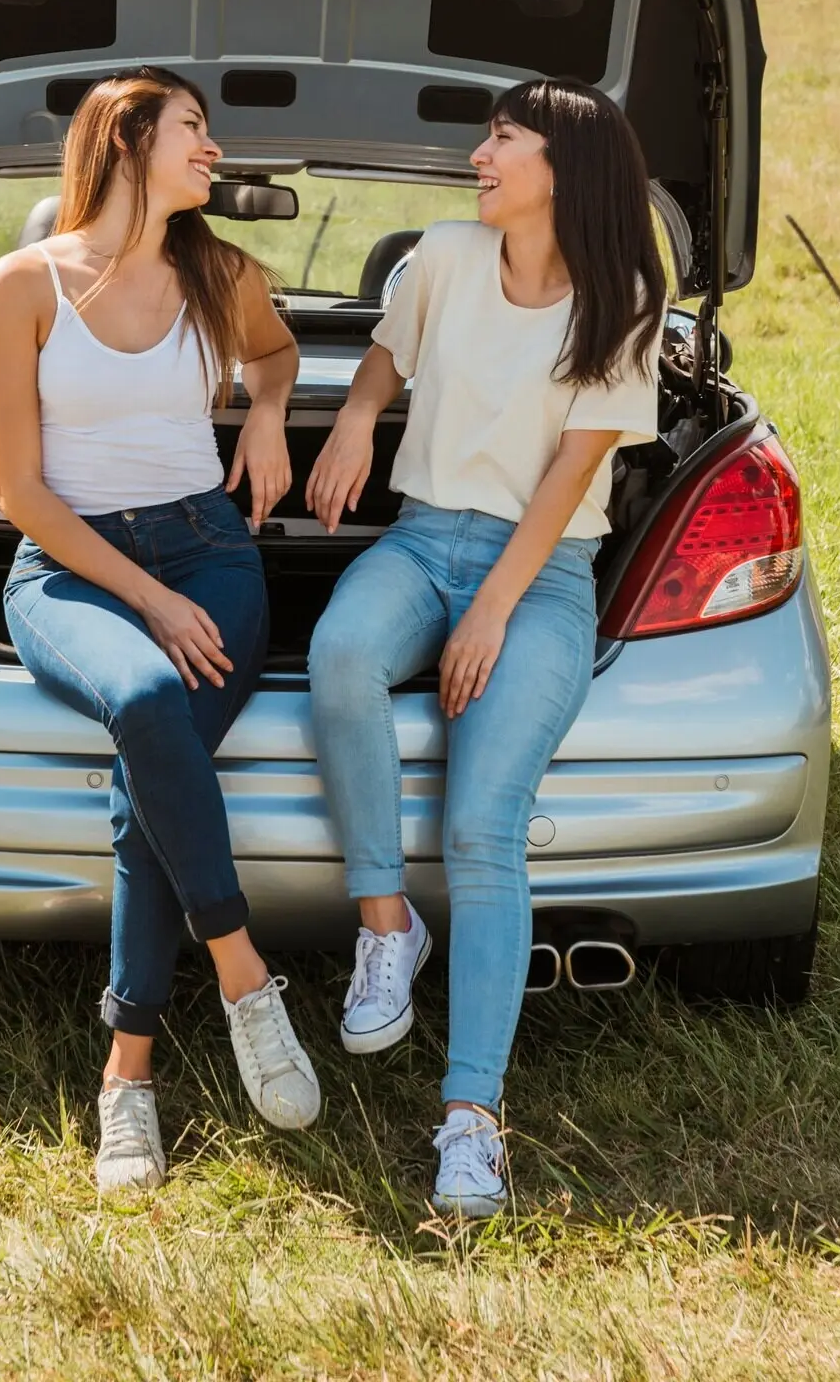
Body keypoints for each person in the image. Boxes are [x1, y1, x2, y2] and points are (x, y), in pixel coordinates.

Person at [305, 78, 666, 1218]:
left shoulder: (624, 299)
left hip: (543, 569)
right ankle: (384, 925)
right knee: (341, 657)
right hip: (420, 540)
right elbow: (384, 358)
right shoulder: (442, 260)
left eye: (504, 137)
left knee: (480, 823)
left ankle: (472, 1121)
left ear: (565, 162)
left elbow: (571, 477)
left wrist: (496, 606)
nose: (480, 153)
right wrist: (362, 413)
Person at [0, 65, 320, 1194]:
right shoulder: (20, 285)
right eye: (194, 130)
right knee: (147, 699)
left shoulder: (222, 271)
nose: (213, 149)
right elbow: (21, 492)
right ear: (127, 141)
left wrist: (267, 412)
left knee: (144, 786)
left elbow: (276, 355)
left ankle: (129, 1079)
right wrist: (149, 599)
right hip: (70, 573)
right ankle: (242, 976)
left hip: (213, 554)